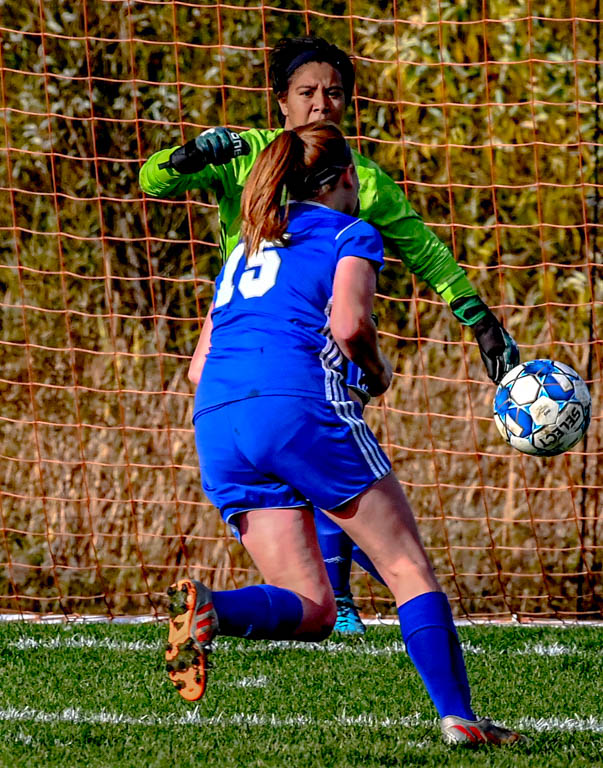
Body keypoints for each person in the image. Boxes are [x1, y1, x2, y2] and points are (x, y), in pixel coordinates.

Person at [140, 36, 519, 635]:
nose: (322, 103)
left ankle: (328, 596)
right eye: (307, 92)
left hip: (260, 343)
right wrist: (187, 154)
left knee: (303, 451)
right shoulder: (245, 155)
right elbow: (151, 180)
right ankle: (358, 596)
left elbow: (423, 250)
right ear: (281, 102)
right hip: (251, 326)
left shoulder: (361, 177)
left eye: (334, 92)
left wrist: (480, 318)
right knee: (332, 458)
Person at [163, 121, 522, 746]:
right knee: (406, 565)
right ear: (346, 180)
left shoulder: (244, 248)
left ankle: (210, 609)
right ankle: (460, 716)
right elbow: (352, 326)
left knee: (315, 606)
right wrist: (377, 372)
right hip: (296, 409)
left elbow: (197, 365)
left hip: (217, 421)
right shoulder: (350, 231)